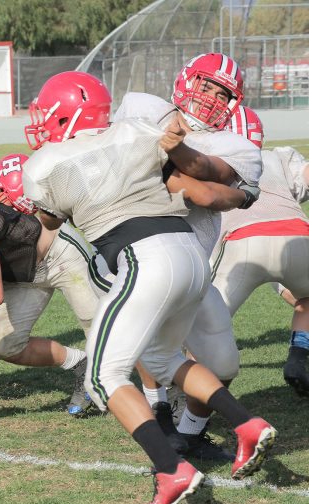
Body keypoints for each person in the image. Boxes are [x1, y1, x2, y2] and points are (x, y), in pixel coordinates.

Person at [22, 70, 275, 504]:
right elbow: (199, 189)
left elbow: (46, 225)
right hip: (189, 255)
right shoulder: (140, 132)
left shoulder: (45, 163)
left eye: (47, 113)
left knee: (102, 376)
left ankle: (171, 470)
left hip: (144, 258)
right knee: (163, 359)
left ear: (65, 116)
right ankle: (247, 425)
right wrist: (242, 196)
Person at [112, 53, 263, 460]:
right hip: (137, 258)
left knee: (223, 365)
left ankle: (190, 433)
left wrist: (171, 149)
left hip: (193, 269)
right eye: (206, 85)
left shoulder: (237, 146)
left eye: (222, 93)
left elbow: (207, 172)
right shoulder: (144, 107)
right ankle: (159, 412)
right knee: (147, 342)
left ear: (234, 104)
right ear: (185, 81)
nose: (212, 97)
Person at [0, 153, 99, 416]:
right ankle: (80, 364)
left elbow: (41, 240)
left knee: (100, 328)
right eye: (7, 202)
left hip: (61, 257)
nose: (11, 211)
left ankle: (162, 391)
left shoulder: (40, 200)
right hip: (22, 274)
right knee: (5, 346)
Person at [216, 106, 309, 397]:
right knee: (307, 300)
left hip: (241, 243)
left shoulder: (209, 164)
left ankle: (188, 400)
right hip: (297, 235)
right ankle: (298, 358)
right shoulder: (277, 156)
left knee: (206, 324)